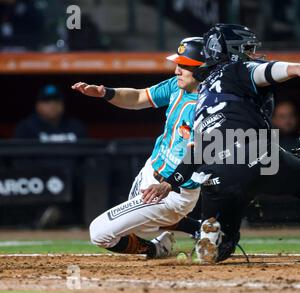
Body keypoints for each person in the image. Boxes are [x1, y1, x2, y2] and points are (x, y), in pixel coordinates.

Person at [147, 24, 300, 264]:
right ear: (230, 52)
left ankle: (214, 237)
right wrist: (299, 68)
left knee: (227, 243)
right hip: (254, 153)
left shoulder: (201, 97)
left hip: (213, 172)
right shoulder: (234, 69)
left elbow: (196, 150)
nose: (253, 54)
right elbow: (265, 71)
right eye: (247, 49)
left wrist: (170, 182)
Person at [72, 37, 205, 258]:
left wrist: (169, 184)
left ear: (203, 70)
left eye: (184, 66)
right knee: (138, 227)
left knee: (100, 233)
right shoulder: (177, 87)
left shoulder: (207, 106)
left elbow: (197, 155)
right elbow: (138, 97)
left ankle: (156, 249)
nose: (176, 71)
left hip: (174, 190)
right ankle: (198, 228)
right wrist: (105, 93)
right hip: (151, 171)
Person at [14, 85, 87, 142]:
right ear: (37, 105)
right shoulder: (26, 128)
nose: (52, 105)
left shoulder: (76, 127)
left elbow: (87, 157)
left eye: (56, 101)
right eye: (46, 101)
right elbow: (21, 159)